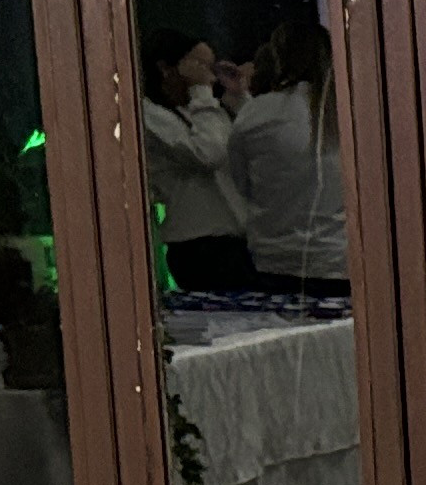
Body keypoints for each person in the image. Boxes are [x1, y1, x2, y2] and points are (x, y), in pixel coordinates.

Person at [229, 18, 348, 296]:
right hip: (339, 260)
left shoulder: (254, 113)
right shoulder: (347, 111)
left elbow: (242, 186)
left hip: (273, 262)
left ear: (277, 58)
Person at [135, 27, 254, 293]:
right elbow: (208, 153)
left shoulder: (201, 113)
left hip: (234, 243)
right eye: (200, 66)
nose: (209, 77)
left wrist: (238, 96)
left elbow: (251, 150)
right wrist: (201, 93)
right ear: (166, 68)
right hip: (200, 247)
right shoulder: (149, 114)